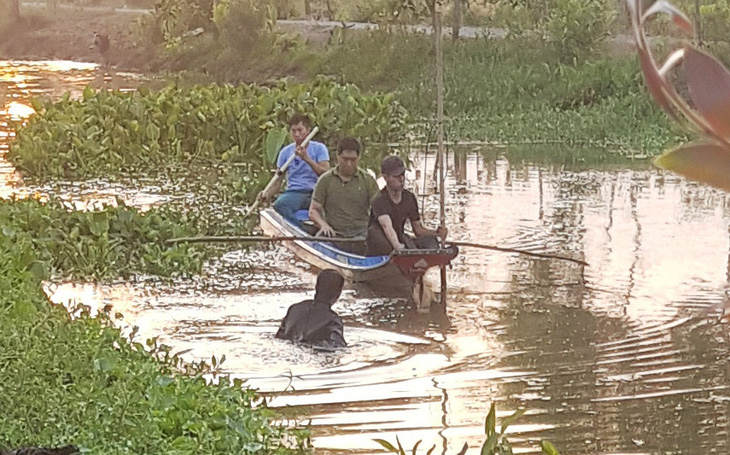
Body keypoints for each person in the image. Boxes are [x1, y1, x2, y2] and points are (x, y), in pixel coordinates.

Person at [366, 155, 448, 256]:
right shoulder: (379, 200)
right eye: (396, 176)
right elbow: (387, 227)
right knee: (378, 237)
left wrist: (436, 233)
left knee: (429, 240)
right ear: (386, 178)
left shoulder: (409, 198)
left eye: (403, 175)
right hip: (380, 243)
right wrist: (398, 247)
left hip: (399, 237)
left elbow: (418, 229)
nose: (401, 179)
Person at [309, 137, 379, 253]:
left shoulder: (367, 180)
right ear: (338, 156)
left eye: (353, 160)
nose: (349, 164)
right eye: (345, 159)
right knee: (319, 246)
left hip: (360, 234)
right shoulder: (325, 180)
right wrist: (323, 225)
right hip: (333, 234)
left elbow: (380, 210)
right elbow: (313, 210)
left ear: (359, 158)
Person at [258, 114, 330, 227]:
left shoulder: (319, 148)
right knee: (279, 205)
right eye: (293, 131)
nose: (297, 134)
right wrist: (266, 195)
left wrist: (306, 158)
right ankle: (301, 229)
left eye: (300, 130)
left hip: (316, 193)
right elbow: (277, 181)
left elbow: (326, 174)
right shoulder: (286, 152)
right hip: (295, 192)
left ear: (308, 130)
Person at [275, 269, 347, 348]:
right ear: (338, 294)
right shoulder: (333, 321)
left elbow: (279, 338)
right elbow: (338, 347)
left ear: (316, 287)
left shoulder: (294, 309)